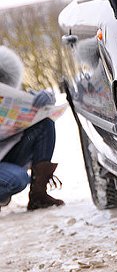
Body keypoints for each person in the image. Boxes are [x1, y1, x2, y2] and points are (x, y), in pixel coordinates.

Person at [0, 46, 64, 210]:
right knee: (18, 179)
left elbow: (33, 106)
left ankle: (38, 196)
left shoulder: (8, 95)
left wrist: (46, 99)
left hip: (6, 156)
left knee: (45, 122)